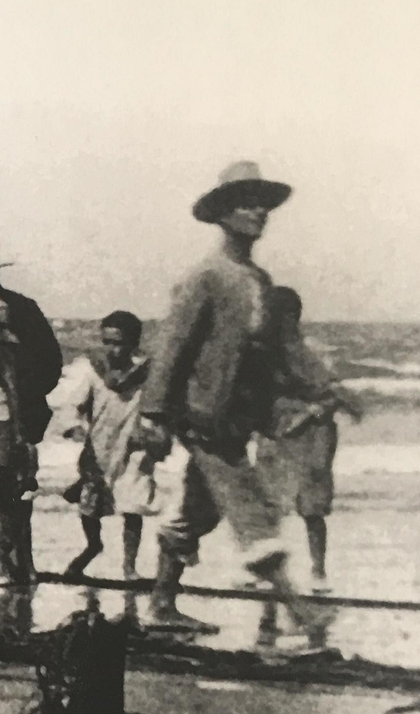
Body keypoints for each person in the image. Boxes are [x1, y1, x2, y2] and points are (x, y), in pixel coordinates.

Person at [134, 161, 335, 640]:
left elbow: (269, 354)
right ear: (223, 213)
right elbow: (172, 347)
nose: (259, 212)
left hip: (235, 418)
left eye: (263, 204)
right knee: (251, 508)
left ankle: (162, 603)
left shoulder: (260, 281)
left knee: (199, 511)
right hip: (202, 414)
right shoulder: (205, 276)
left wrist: (316, 391)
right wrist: (154, 414)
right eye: (247, 203)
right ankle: (301, 611)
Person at [0, 241, 64, 587]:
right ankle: (26, 566)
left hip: (2, 415)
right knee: (18, 495)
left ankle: (2, 568)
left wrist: (16, 419)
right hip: (28, 413)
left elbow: (6, 373)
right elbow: (52, 364)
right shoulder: (26, 307)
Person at [255, 286, 363, 591]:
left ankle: (318, 571)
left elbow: (338, 394)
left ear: (291, 317)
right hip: (276, 429)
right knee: (268, 504)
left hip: (314, 433)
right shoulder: (264, 354)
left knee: (312, 507)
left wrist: (313, 410)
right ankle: (268, 574)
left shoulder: (313, 351)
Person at [56, 310, 155, 580]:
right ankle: (92, 546)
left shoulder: (147, 372)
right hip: (99, 449)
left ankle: (130, 567)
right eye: (107, 342)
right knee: (92, 506)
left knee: (133, 506)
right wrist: (73, 426)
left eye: (119, 342)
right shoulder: (94, 370)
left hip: (134, 448)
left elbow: (159, 405)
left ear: (134, 342)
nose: (113, 349)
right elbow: (73, 404)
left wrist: (155, 430)